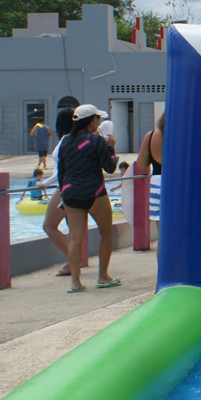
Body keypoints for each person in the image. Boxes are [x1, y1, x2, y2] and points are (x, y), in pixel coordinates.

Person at [57, 103, 124, 292]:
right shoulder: (97, 141)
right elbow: (110, 167)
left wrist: (63, 194)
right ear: (91, 121)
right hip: (94, 192)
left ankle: (75, 283)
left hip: (71, 193)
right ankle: (103, 276)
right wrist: (111, 149)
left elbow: (61, 171)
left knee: (75, 238)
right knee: (106, 233)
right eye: (98, 118)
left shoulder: (65, 141)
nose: (99, 121)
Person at [43, 108, 77, 276]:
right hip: (75, 185)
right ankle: (76, 260)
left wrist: (44, 183)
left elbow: (62, 170)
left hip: (64, 186)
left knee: (49, 226)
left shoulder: (66, 140)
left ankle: (73, 261)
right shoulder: (78, 139)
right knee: (74, 228)